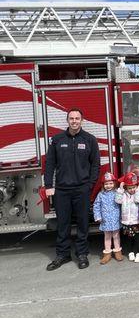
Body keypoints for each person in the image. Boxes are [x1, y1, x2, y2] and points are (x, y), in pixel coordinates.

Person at [44, 108, 100, 271]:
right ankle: (63, 254)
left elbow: (95, 165)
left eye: (77, 118)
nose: (74, 121)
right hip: (62, 190)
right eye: (71, 118)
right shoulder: (57, 140)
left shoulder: (90, 140)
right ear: (67, 120)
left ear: (82, 120)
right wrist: (49, 185)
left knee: (83, 223)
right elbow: (50, 164)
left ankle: (82, 254)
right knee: (63, 223)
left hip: (82, 189)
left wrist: (89, 185)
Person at [93, 172, 122, 264]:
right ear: (103, 185)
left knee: (116, 236)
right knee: (107, 237)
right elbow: (96, 205)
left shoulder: (117, 193)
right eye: (106, 184)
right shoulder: (101, 195)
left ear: (114, 184)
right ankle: (107, 254)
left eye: (110, 183)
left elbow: (122, 203)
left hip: (115, 218)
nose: (108, 185)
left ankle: (118, 251)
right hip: (105, 220)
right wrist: (98, 216)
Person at [115, 171, 139, 263]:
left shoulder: (138, 193)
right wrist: (120, 189)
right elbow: (118, 201)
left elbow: (138, 200)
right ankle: (131, 252)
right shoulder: (123, 194)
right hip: (126, 221)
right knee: (129, 238)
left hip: (136, 221)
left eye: (133, 187)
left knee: (137, 238)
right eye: (129, 188)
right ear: (126, 187)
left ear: (136, 186)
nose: (132, 189)